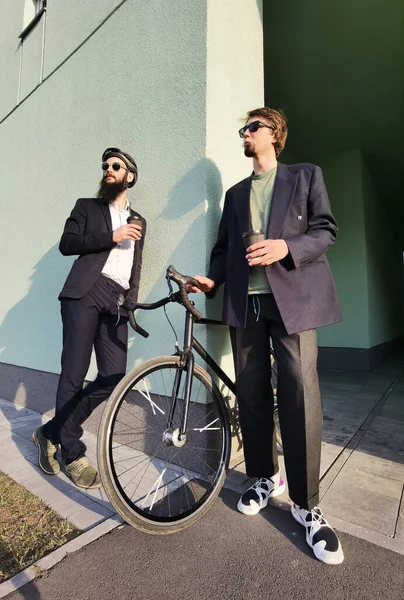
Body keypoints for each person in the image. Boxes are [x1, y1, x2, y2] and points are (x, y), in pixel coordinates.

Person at [188, 108, 344, 565]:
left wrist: (285, 248)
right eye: (242, 129)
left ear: (273, 133)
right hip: (246, 303)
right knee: (252, 393)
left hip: (291, 300)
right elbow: (223, 249)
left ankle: (307, 505)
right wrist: (213, 280)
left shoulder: (304, 176)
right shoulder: (236, 195)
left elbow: (326, 230)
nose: (245, 134)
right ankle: (262, 476)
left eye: (251, 127)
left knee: (298, 392)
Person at [33, 147, 146, 489]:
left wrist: (131, 303)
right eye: (105, 166)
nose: (108, 170)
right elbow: (67, 244)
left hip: (117, 299)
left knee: (113, 376)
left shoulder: (139, 220)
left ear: (130, 176)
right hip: (84, 293)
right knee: (75, 372)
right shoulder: (88, 207)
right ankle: (71, 452)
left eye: (116, 166)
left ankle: (51, 432)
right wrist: (111, 237)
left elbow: (135, 267)